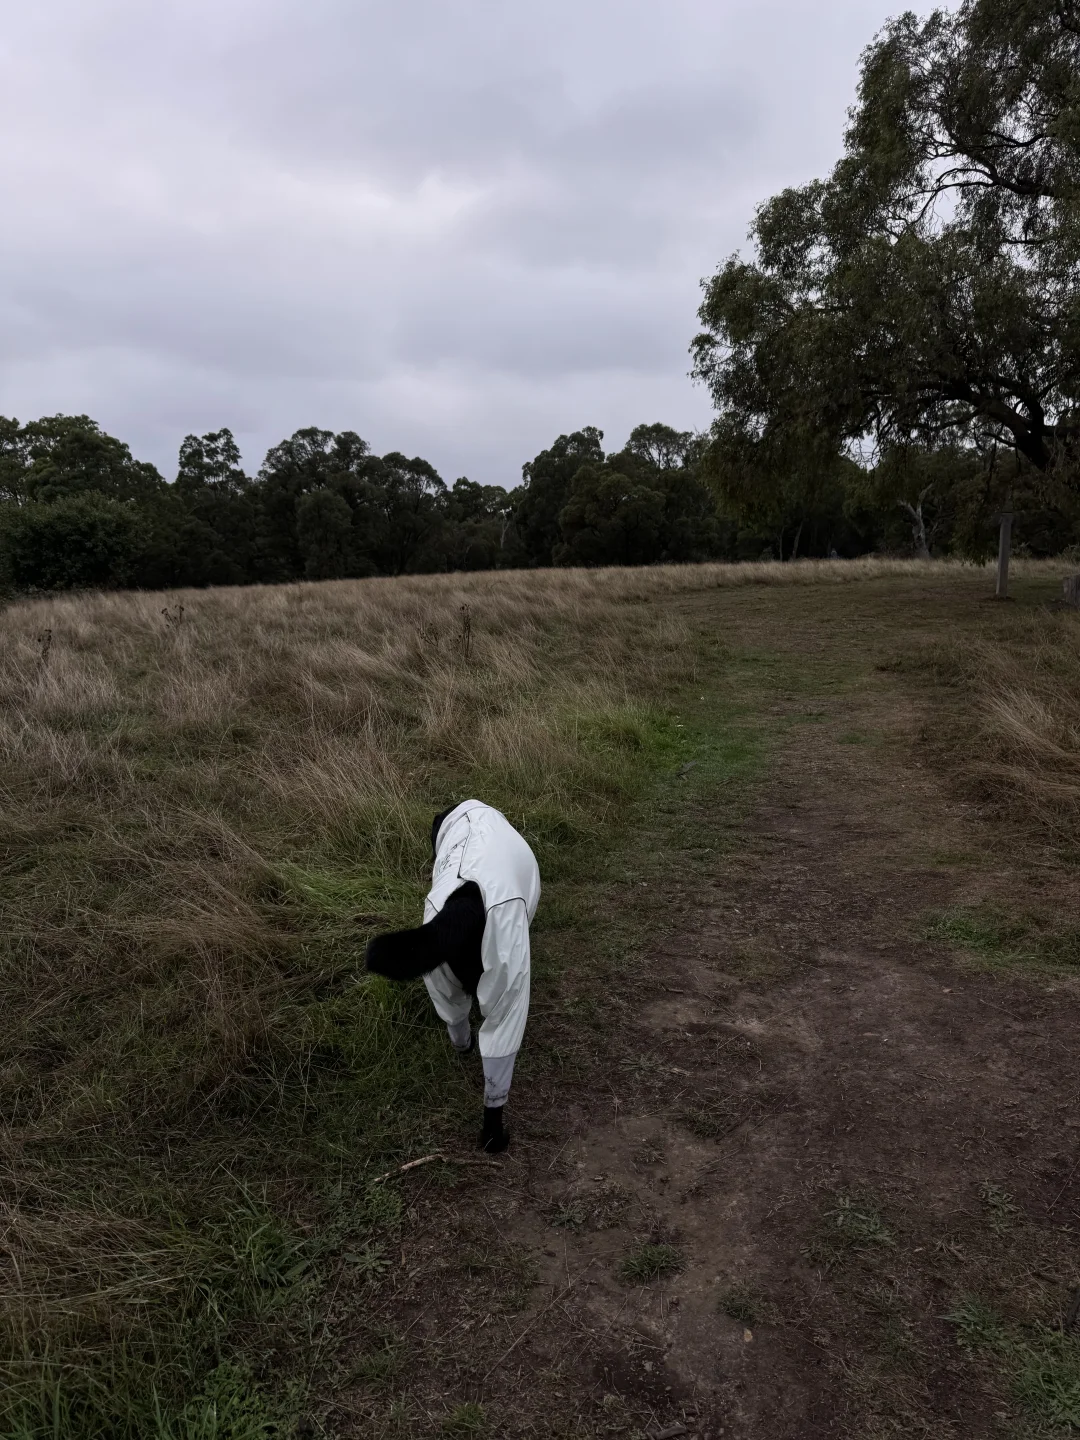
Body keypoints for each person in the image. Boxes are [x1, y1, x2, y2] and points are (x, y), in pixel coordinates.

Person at [365, 799, 541, 1152]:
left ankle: (462, 1043)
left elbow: (441, 979)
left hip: (449, 917)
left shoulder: (442, 880)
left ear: (439, 838)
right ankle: (492, 1129)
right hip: (506, 909)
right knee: (506, 1003)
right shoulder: (502, 832)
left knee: (443, 970)